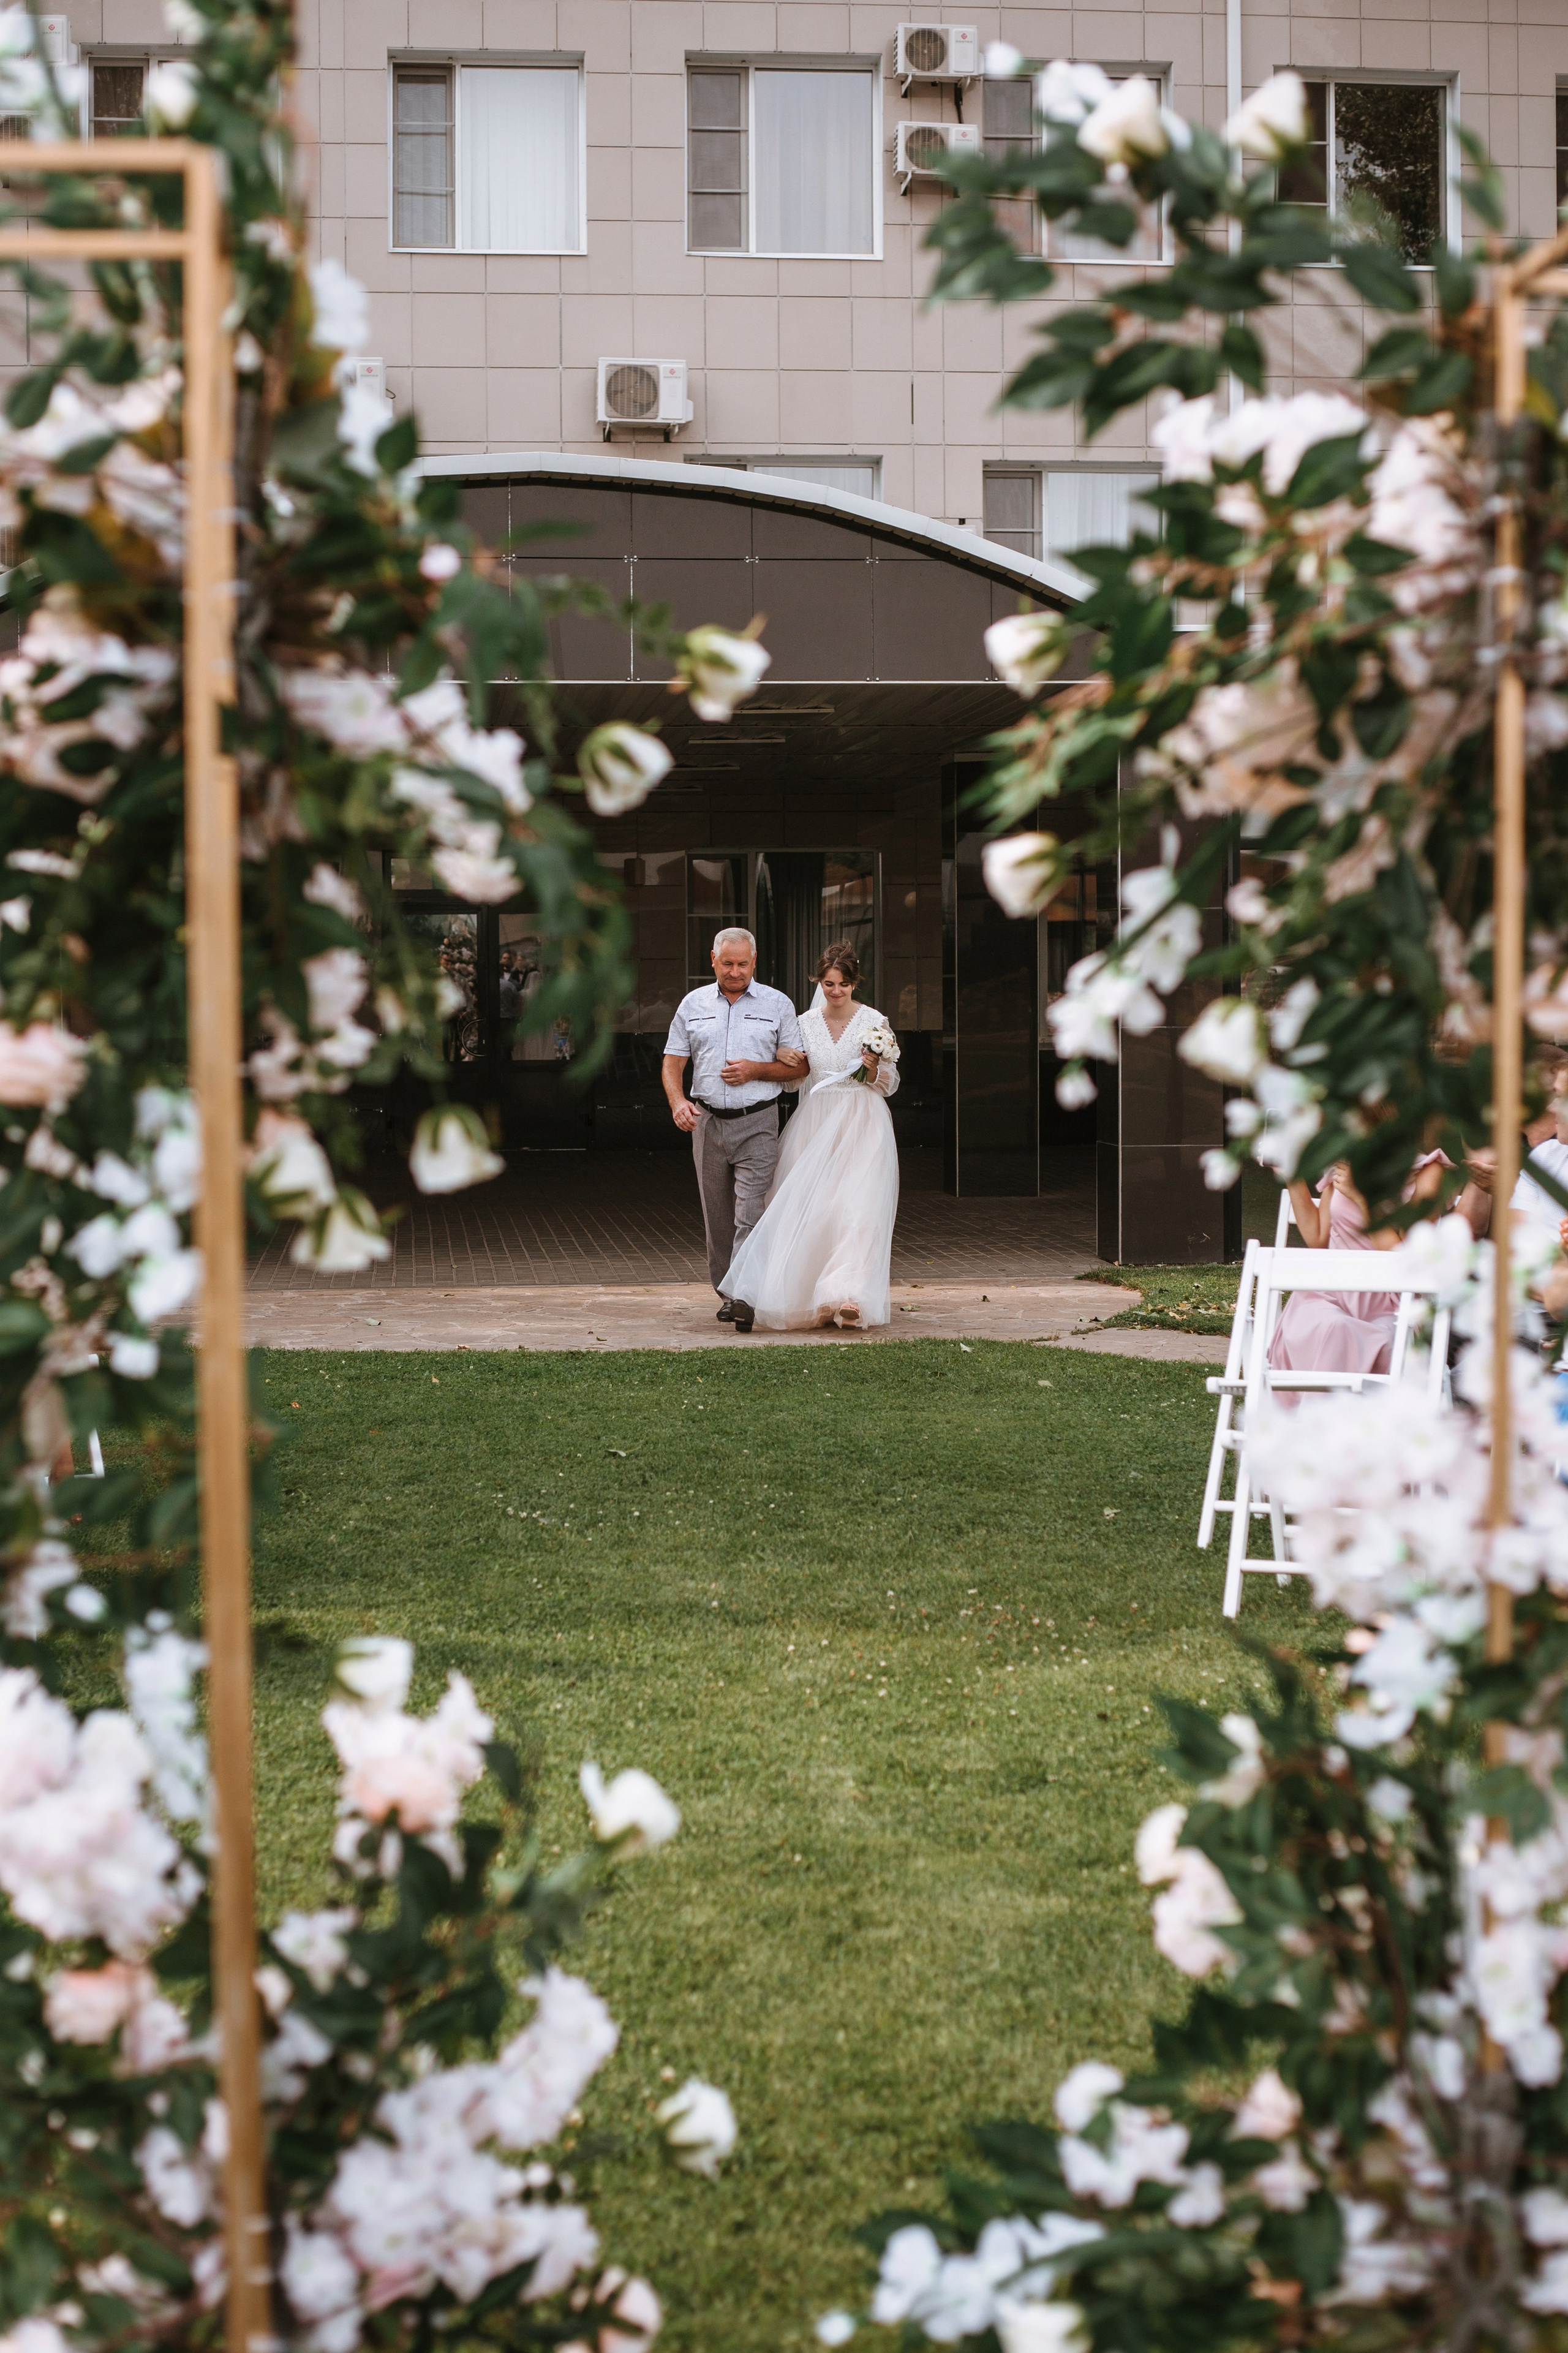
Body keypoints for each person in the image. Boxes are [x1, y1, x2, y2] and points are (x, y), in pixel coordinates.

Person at [720, 940, 900, 1332]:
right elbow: (793, 1082)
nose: (836, 991)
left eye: (843, 985)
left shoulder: (874, 1022)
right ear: (819, 981)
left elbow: (889, 1083)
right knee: (817, 1208)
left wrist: (871, 1068)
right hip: (816, 1123)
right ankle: (814, 1297)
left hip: (862, 1122)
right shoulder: (804, 1023)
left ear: (855, 984)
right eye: (829, 983)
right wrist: (784, 1063)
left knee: (859, 1209)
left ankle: (848, 1295)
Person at [662, 927, 806, 1326]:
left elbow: (802, 1065)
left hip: (758, 1120)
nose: (735, 971)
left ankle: (746, 1294)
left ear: (754, 962)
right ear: (713, 959)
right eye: (728, 963)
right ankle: (728, 1292)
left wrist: (757, 1069)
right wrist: (678, 1102)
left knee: (751, 1210)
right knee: (718, 1215)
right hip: (707, 1123)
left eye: (743, 963)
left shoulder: (778, 1004)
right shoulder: (691, 1005)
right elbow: (673, 1061)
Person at [1268, 1152, 1449, 1381]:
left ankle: (1323, 1413)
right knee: (1330, 1325)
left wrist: (1363, 1198)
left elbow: (1405, 1259)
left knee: (1350, 1334)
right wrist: (1293, 1176)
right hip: (1328, 1292)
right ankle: (1317, 1412)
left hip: (1388, 1302)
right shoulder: (1345, 1157)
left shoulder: (1428, 1172)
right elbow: (1318, 1238)